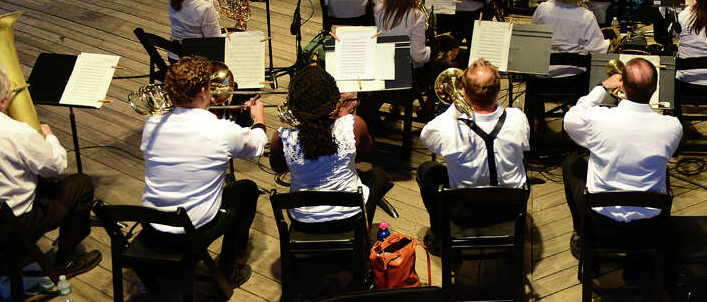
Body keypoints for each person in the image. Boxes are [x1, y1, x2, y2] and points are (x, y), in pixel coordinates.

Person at [0, 65, 101, 285]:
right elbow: (55, 168)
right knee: (80, 185)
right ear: (3, 101)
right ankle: (64, 262)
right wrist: (50, 138)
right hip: (9, 232)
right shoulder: (18, 133)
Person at [138, 54, 266, 288]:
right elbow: (257, 144)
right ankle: (228, 270)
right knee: (246, 190)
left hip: (152, 223)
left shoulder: (151, 124)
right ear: (205, 90)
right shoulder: (220, 130)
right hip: (190, 230)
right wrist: (258, 118)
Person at [562, 57, 683, 249]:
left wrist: (602, 87)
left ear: (623, 87)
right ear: (654, 89)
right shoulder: (672, 127)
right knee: (664, 171)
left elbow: (570, 121)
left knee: (571, 162)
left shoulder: (598, 119)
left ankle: (582, 233)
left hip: (601, 217)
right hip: (650, 219)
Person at [417, 59, 530, 249]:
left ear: (464, 92)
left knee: (427, 170)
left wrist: (456, 106)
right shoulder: (518, 118)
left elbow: (426, 136)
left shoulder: (445, 127)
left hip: (465, 214)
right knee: (519, 157)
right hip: (511, 209)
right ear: (499, 91)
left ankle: (441, 237)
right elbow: (524, 147)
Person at [268, 66, 392, 227]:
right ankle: (363, 229)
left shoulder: (281, 137)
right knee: (378, 175)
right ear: (334, 100)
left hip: (303, 219)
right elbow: (368, 151)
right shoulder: (354, 125)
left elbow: (278, 168)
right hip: (349, 216)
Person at [375, 0, 429, 68]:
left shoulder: (377, 9)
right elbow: (418, 57)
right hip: (406, 69)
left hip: (382, 64)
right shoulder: (417, 16)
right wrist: (431, 51)